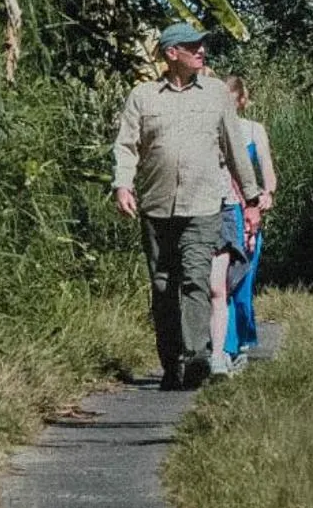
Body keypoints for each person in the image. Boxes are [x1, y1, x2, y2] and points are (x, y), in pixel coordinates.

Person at [112, 23, 261, 391]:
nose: (201, 51)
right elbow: (127, 146)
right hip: (157, 205)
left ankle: (197, 356)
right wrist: (122, 185)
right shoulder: (143, 97)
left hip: (203, 205)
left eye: (202, 45)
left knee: (196, 277)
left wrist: (252, 199)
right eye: (192, 46)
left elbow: (234, 150)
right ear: (171, 54)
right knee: (163, 285)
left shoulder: (215, 95)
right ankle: (171, 362)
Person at [220, 75, 276, 367]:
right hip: (221, 207)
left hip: (248, 212)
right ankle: (224, 347)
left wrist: (267, 193)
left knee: (243, 281)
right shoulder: (211, 131)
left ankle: (241, 340)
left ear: (241, 101)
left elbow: (266, 167)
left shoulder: (254, 130)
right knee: (221, 282)